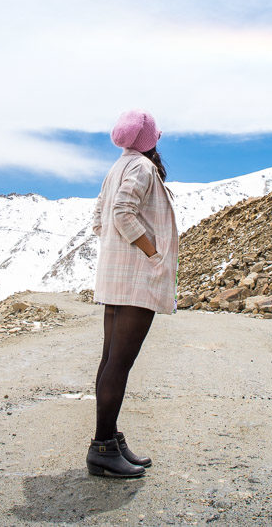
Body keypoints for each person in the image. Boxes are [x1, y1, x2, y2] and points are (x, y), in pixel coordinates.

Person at [86, 109, 178, 478]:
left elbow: (99, 219)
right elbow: (123, 214)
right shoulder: (140, 167)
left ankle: (110, 440)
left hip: (116, 277)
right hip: (137, 278)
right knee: (119, 364)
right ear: (149, 140)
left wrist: (117, 251)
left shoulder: (116, 168)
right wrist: (153, 253)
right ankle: (103, 448)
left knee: (110, 361)